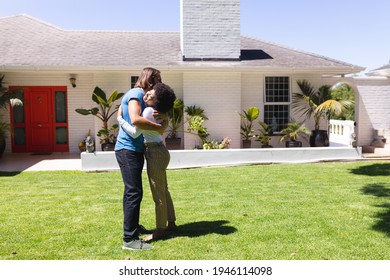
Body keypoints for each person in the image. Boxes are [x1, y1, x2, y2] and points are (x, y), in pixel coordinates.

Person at [115, 67, 167, 251]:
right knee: (133, 192)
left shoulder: (141, 96)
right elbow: (136, 121)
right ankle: (129, 240)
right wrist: (158, 128)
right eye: (157, 81)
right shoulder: (136, 92)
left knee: (133, 191)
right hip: (127, 149)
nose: (157, 85)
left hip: (133, 149)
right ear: (150, 80)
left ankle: (134, 228)